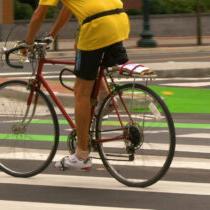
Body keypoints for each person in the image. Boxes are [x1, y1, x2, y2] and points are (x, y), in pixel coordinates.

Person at [22, 0, 130, 170]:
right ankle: (104, 96)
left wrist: (27, 44)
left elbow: (39, 14)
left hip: (97, 26)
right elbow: (68, 7)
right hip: (119, 19)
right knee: (79, 45)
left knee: (81, 93)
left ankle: (81, 155)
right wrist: (52, 34)